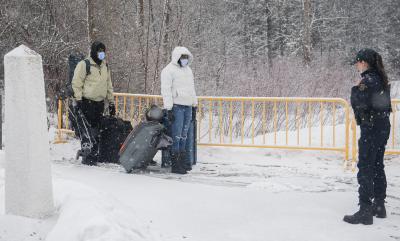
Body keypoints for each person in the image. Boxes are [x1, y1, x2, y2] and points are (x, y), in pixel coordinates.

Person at [344, 48, 392, 225]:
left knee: (365, 166)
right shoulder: (381, 78)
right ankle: (379, 205)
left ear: (364, 62)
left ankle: (365, 209)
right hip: (383, 126)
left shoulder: (368, 80)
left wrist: (355, 88)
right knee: (378, 164)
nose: (356, 65)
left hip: (371, 128)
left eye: (357, 62)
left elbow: (360, 102)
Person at [72, 41, 116, 165]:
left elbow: (109, 85)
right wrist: (79, 99)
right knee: (87, 130)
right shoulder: (84, 64)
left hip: (99, 103)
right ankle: (87, 155)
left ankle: (94, 153)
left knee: (96, 131)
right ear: (93, 52)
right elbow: (77, 83)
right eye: (99, 51)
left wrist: (111, 102)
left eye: (103, 51)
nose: (101, 54)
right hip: (87, 102)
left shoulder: (105, 66)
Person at [161, 46, 197, 174]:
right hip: (176, 106)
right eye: (183, 57)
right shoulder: (168, 71)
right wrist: (169, 108)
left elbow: (192, 89)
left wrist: (194, 104)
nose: (185, 60)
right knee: (176, 136)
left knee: (184, 136)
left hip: (187, 106)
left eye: (186, 57)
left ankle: (182, 161)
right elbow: (166, 90)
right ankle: (175, 164)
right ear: (177, 58)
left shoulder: (188, 71)